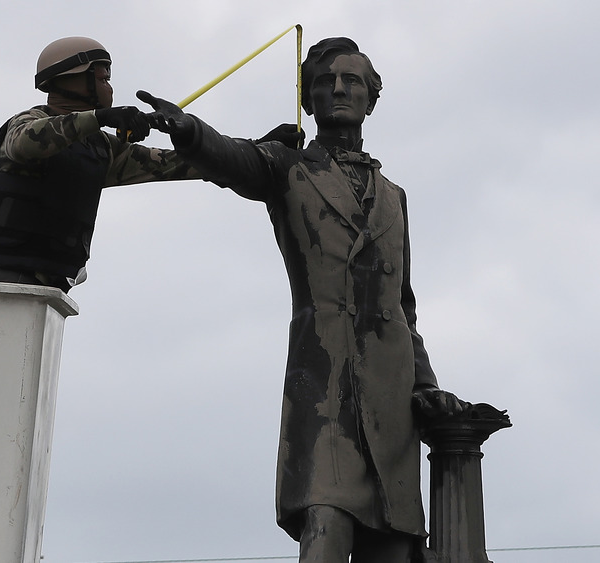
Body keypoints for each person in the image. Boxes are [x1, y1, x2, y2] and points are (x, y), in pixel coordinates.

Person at [139, 38, 467, 562]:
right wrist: (190, 130)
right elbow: (231, 158)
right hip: (324, 388)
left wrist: (425, 387)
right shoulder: (288, 168)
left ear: (371, 98)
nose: (338, 89)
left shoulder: (394, 197)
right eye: (323, 82)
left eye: (352, 81)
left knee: (392, 544)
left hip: (391, 396)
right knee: (326, 520)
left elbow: (402, 308)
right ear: (308, 101)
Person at [0, 36, 296, 291]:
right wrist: (100, 117)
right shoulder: (25, 124)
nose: (110, 87)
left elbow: (181, 164)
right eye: (102, 79)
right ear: (73, 80)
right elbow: (29, 142)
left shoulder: (101, 149)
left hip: (47, 290)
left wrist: (256, 147)